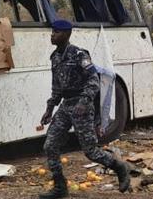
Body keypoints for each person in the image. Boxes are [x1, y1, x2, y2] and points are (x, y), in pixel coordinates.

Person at [39, 19, 130, 198]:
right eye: (52, 32)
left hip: (82, 106)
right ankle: (60, 187)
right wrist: (50, 108)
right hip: (66, 106)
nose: (52, 35)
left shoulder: (80, 55)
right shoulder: (55, 57)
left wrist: (85, 101)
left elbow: (94, 80)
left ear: (66, 34)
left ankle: (119, 167)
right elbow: (56, 87)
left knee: (91, 152)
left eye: (56, 32)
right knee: (50, 145)